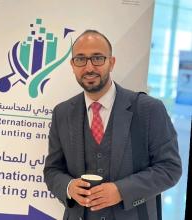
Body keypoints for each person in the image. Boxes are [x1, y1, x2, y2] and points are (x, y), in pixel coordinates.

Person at [44, 30, 182, 220]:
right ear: (72, 65)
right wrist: (68, 187)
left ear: (112, 62)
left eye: (98, 58)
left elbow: (170, 168)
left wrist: (121, 191)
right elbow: (52, 170)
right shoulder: (62, 113)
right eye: (80, 59)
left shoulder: (149, 109)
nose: (89, 67)